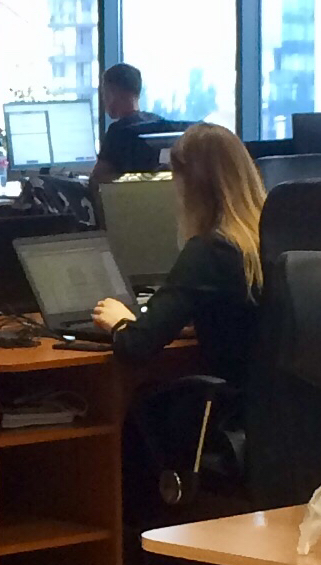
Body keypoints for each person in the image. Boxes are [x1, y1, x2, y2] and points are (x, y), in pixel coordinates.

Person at [89, 123, 263, 387]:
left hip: (229, 401)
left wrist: (120, 321)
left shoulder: (210, 250)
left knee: (142, 401)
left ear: (191, 185)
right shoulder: (269, 237)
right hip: (276, 401)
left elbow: (137, 347)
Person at [89, 62, 178, 189]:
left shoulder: (118, 132)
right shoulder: (159, 123)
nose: (104, 100)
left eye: (105, 94)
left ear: (113, 93)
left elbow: (97, 180)